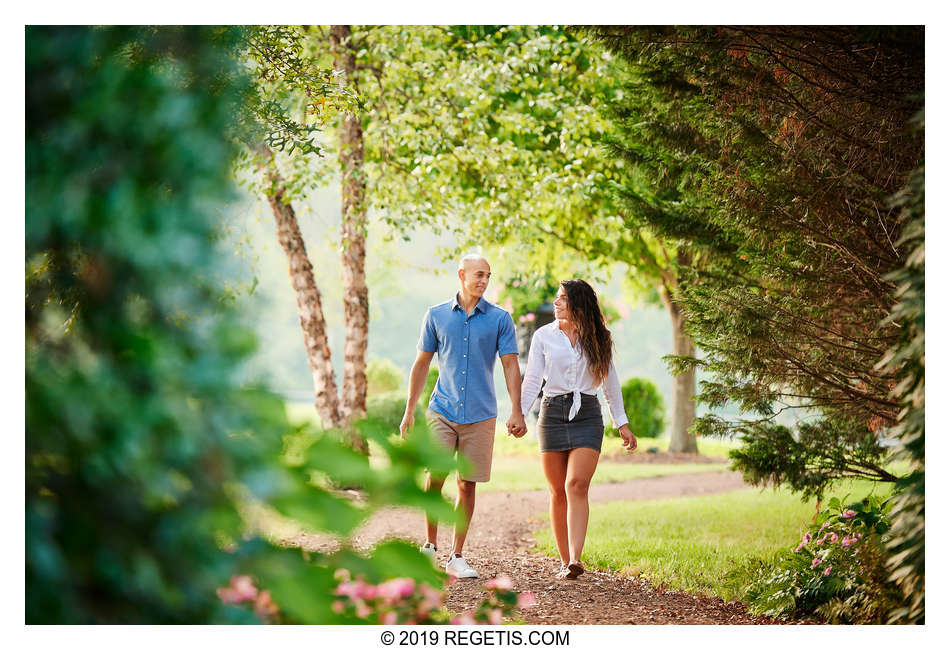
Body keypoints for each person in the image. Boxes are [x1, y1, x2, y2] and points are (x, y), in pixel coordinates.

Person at [400, 254, 527, 579]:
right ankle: (429, 546)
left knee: (467, 484)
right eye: (478, 275)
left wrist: (517, 409)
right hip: (442, 409)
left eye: (488, 276)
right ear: (462, 275)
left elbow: (510, 364)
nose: (484, 281)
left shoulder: (500, 318)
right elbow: (422, 363)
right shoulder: (437, 315)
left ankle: (457, 555)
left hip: (481, 414)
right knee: (436, 477)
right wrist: (410, 409)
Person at [520, 279, 637, 580]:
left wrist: (621, 423)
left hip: (587, 413)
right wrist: (519, 413)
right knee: (557, 491)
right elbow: (533, 379)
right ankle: (564, 562)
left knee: (576, 485)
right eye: (557, 299)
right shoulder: (543, 336)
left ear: (578, 303)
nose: (556, 303)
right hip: (552, 413)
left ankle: (575, 558)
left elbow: (610, 383)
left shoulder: (599, 338)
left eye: (562, 299)